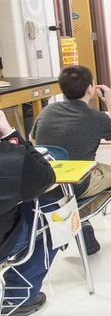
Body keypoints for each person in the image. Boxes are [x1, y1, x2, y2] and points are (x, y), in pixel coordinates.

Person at [30, 65, 111, 255]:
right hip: (78, 184)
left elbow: (33, 142)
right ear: (91, 88)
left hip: (46, 184)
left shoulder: (47, 112)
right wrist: (110, 102)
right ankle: (79, 217)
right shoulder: (95, 117)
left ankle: (74, 220)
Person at [0, 110, 58, 316]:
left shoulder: (49, 113)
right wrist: (9, 133)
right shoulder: (10, 156)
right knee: (53, 221)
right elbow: (46, 177)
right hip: (4, 241)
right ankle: (18, 297)